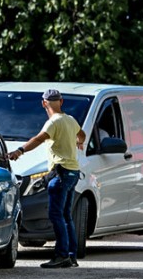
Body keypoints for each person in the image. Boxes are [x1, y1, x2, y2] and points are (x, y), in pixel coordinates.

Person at [8, 89, 86, 268]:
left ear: (44, 103)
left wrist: (19, 151)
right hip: (73, 172)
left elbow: (38, 139)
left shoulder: (53, 122)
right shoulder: (70, 119)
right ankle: (71, 256)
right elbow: (81, 135)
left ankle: (61, 255)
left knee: (56, 215)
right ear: (62, 101)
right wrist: (78, 142)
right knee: (66, 215)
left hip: (61, 173)